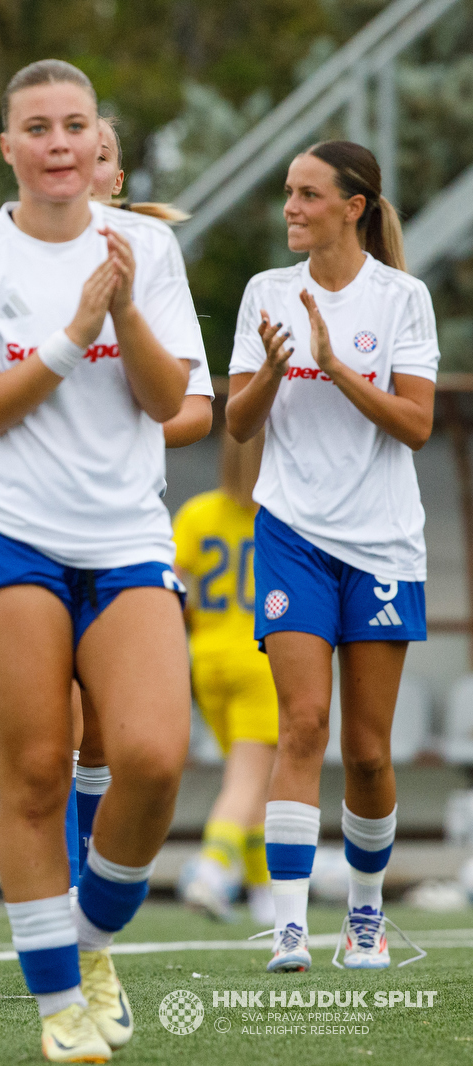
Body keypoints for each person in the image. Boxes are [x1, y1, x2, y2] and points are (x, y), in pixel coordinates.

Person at [0, 60, 212, 1061]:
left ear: (100, 146)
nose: (57, 143)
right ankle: (58, 1005)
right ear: (7, 146)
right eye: (36, 127)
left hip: (125, 533)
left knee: (151, 759)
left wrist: (124, 309)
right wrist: (71, 331)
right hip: (6, 529)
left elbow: (167, 400)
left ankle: (88, 939)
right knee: (38, 769)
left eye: (74, 126)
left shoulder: (146, 249)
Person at [225, 140, 437, 973]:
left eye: (308, 195)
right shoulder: (265, 293)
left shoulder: (402, 298)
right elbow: (239, 424)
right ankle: (287, 926)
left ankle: (365, 915)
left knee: (370, 750)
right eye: (287, 193)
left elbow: (416, 425)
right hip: (291, 534)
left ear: (353, 206)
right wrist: (277, 370)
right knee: (302, 724)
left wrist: (335, 367)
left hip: (383, 540)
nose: (291, 208)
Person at [64, 115, 214, 892]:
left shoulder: (153, 258)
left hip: (123, 524)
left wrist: (139, 416)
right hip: (27, 525)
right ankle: (55, 910)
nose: (80, 164)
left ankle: (94, 896)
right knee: (51, 736)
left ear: (114, 177)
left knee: (117, 746)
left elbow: (193, 410)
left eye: (101, 155)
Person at [171, 429, 278, 925]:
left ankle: (265, 895)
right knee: (249, 781)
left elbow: (169, 585)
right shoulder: (283, 515)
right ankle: (212, 870)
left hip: (207, 659)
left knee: (253, 782)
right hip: (264, 659)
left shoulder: (197, 512)